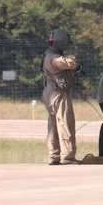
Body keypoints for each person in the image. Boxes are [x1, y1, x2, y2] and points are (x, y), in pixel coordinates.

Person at [42, 28, 82, 165]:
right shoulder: (54, 57)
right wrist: (66, 50)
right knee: (65, 122)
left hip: (51, 93)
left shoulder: (50, 55)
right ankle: (67, 156)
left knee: (53, 125)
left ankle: (54, 156)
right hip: (58, 93)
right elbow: (71, 62)